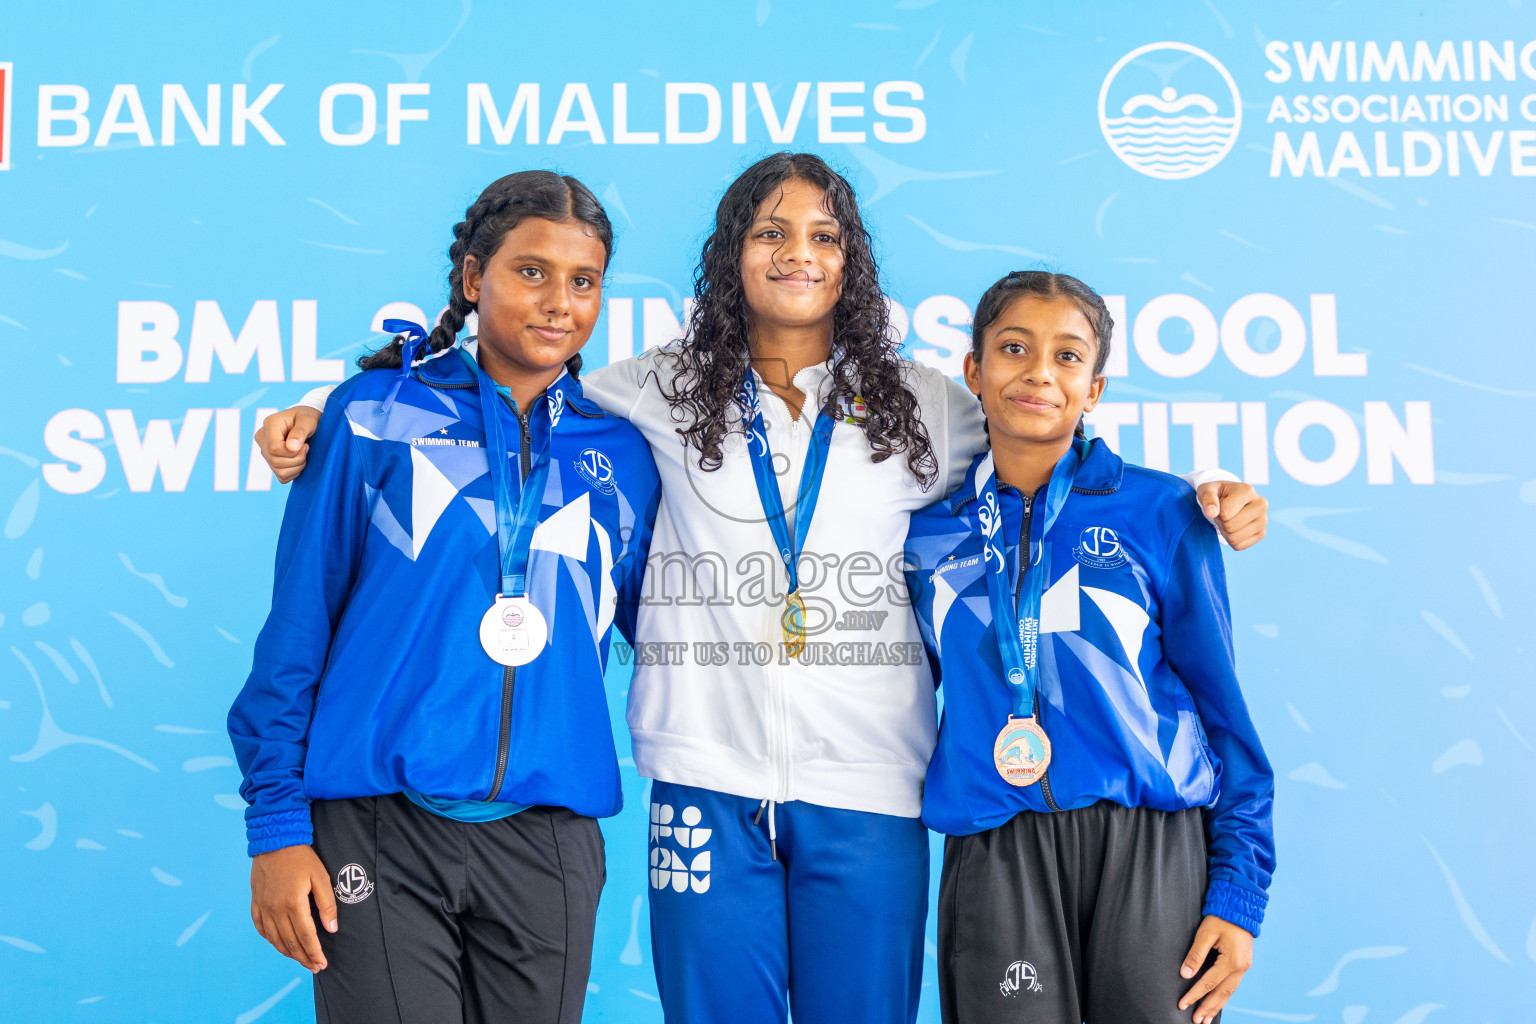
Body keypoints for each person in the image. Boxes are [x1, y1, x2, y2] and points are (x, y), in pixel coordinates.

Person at [256, 153, 1269, 1024]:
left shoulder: (930, 405)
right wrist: (332, 410)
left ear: (851, 259)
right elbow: (517, 396)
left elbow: (1046, 434)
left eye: (825, 236)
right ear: (733, 248)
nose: (798, 253)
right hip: (705, 778)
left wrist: (1207, 495)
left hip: (870, 786)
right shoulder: (646, 392)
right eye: (772, 231)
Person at [227, 170, 661, 1024]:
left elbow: (665, 629)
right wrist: (275, 825)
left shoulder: (626, 453)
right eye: (530, 272)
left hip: (549, 839)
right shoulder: (372, 417)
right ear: (472, 279)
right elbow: (297, 631)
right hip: (380, 829)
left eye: (583, 281)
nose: (558, 302)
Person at [903, 271, 1274, 1024]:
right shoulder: (928, 535)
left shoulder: (1163, 511)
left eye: (1068, 357)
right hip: (996, 853)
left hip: (1152, 851)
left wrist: (1240, 893)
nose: (1039, 371)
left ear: (1094, 388)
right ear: (973, 370)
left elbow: (1224, 715)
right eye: (1014, 348)